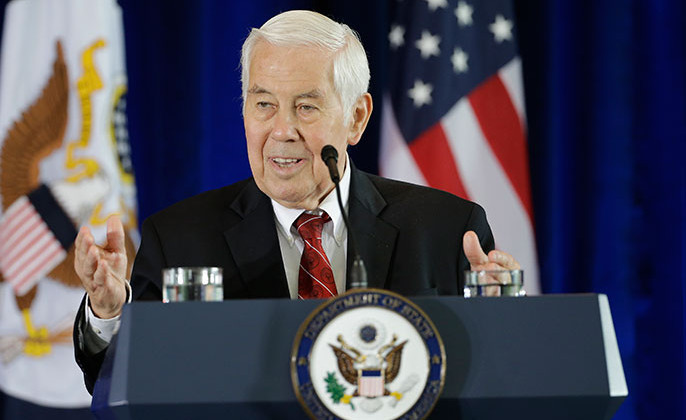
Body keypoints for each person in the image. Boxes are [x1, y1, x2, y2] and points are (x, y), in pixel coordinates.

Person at [72, 10, 521, 393]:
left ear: (356, 118)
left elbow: (495, 378)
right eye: (263, 104)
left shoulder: (446, 229)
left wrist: (500, 320)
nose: (282, 130)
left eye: (306, 107)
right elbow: (121, 385)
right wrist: (109, 314)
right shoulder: (179, 237)